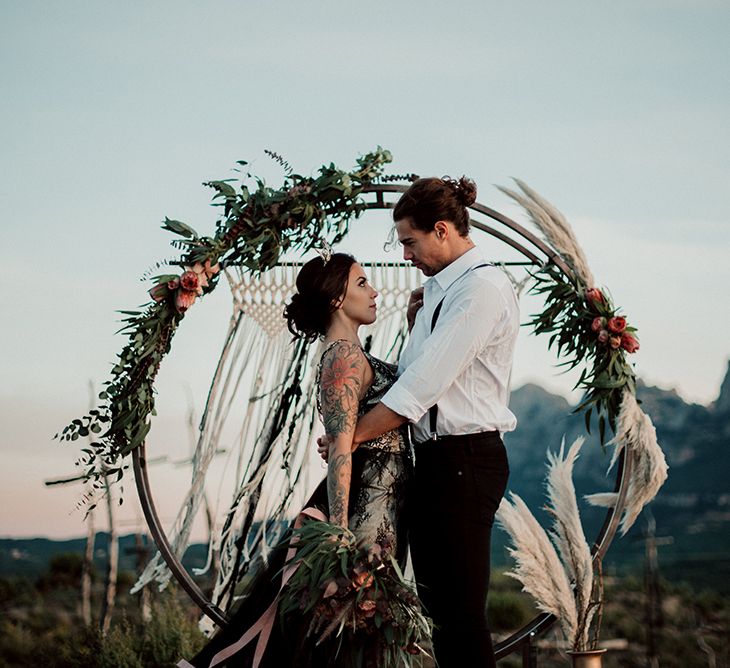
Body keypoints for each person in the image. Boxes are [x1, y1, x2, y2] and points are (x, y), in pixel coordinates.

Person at [180, 252, 418, 668]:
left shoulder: (352, 352)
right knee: (348, 630)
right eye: (362, 283)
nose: (375, 291)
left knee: (360, 634)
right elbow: (341, 448)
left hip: (384, 498)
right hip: (365, 507)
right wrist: (340, 538)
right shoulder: (341, 357)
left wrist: (416, 330)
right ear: (335, 300)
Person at [319, 176, 520, 667]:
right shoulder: (438, 294)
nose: (406, 255)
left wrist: (347, 439)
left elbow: (420, 388)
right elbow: (420, 377)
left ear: (443, 230)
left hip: (465, 460)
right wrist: (417, 327)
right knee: (437, 614)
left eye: (410, 241)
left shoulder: (481, 290)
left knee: (461, 615)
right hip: (433, 460)